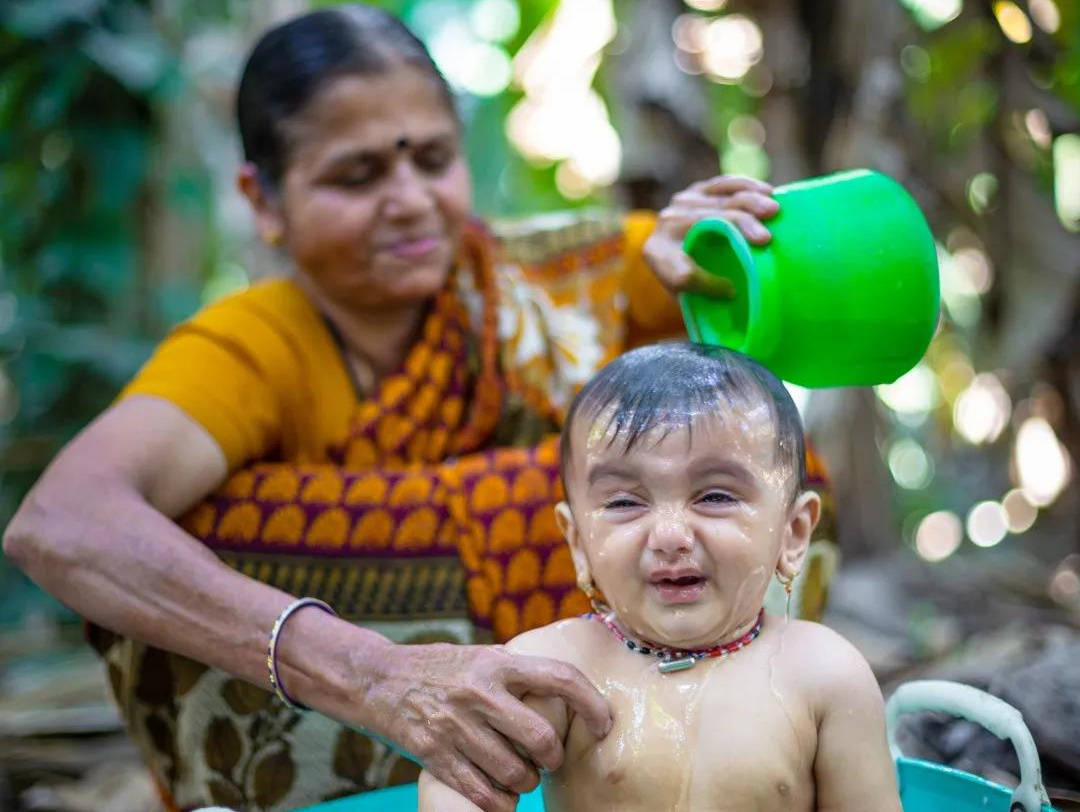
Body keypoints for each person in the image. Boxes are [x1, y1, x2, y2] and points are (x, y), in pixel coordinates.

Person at [2, 6, 830, 812]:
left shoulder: (572, 276)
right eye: (357, 175)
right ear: (261, 201)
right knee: (197, 533)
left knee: (741, 471)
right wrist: (377, 675)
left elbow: (818, 322)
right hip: (334, 770)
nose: (410, 201)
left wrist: (738, 263)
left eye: (432, 160)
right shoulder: (254, 346)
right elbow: (64, 522)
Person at [419, 343, 898, 811]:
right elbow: (454, 777)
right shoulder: (555, 670)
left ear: (793, 534)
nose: (670, 536)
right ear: (579, 543)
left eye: (715, 496)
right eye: (625, 503)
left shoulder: (824, 675)